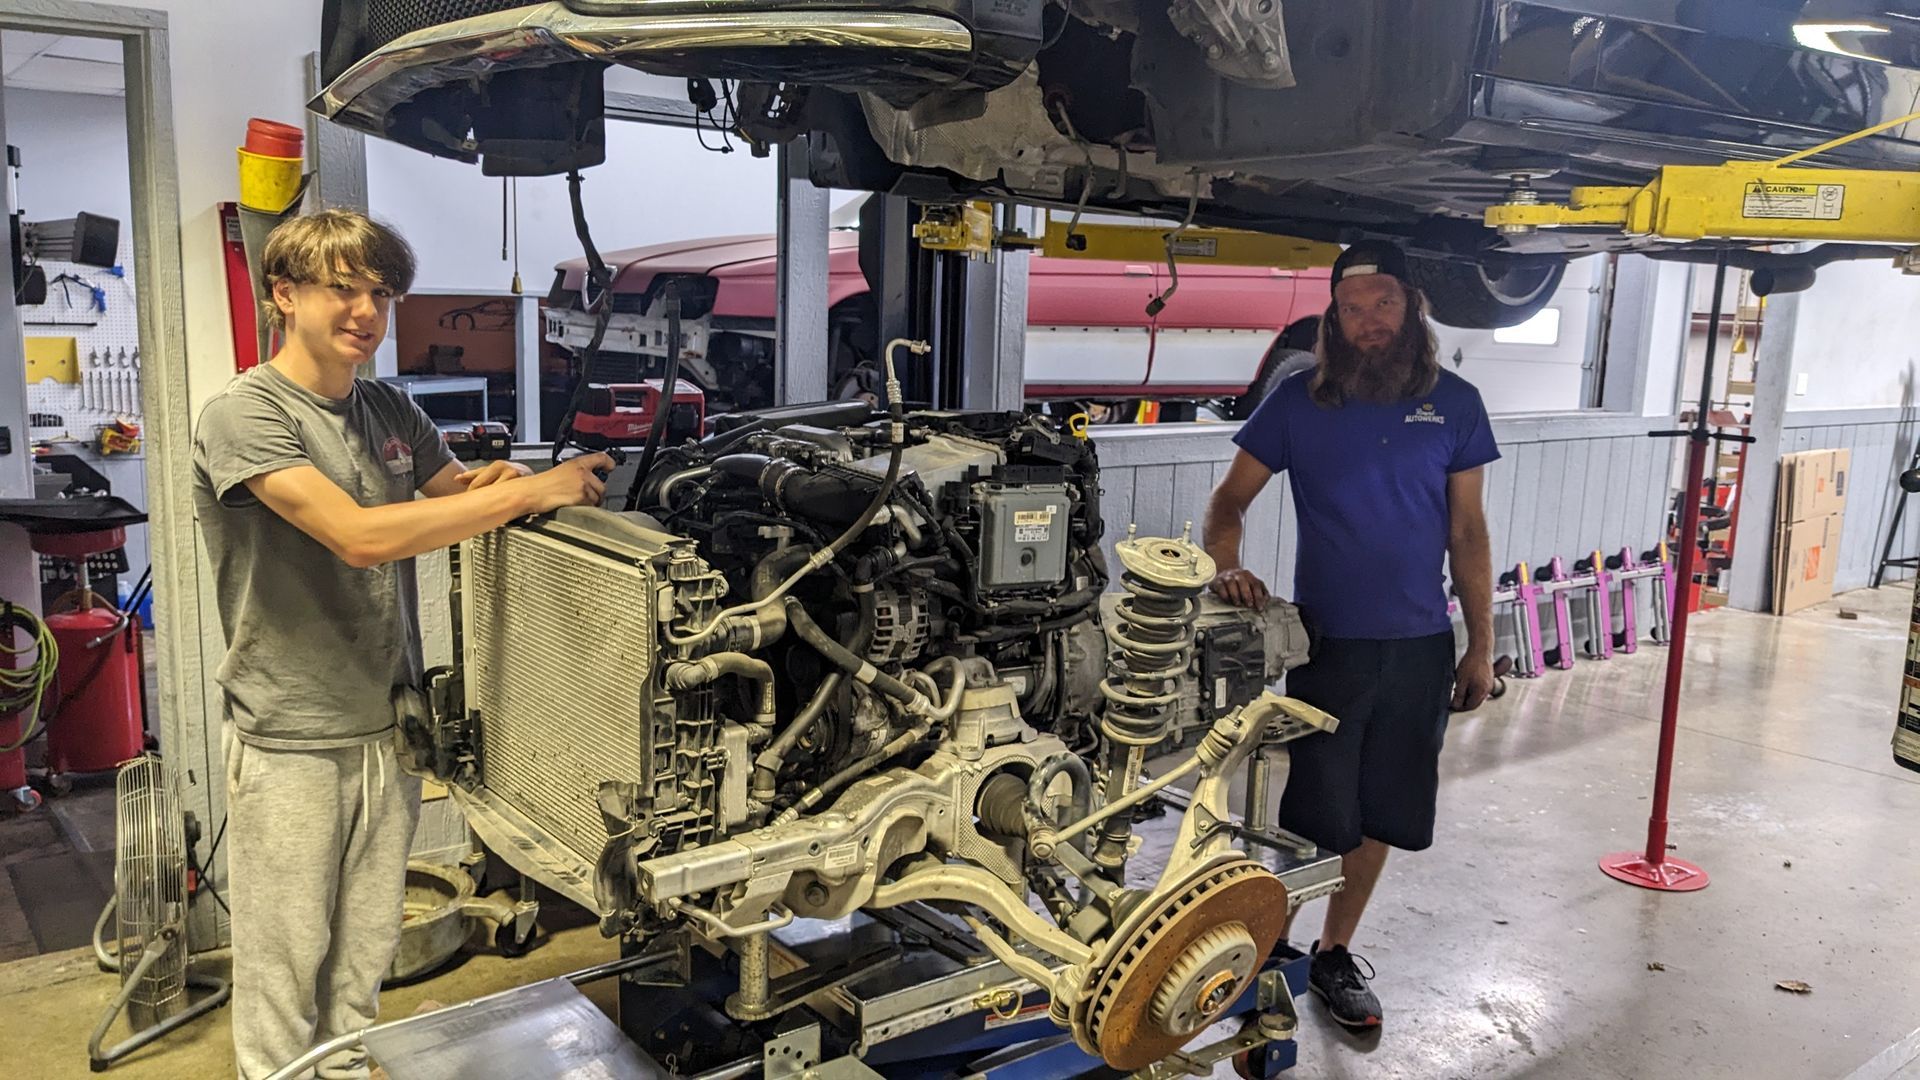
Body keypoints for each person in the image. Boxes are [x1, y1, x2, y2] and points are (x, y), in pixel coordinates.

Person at [191, 209, 612, 1079]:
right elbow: (360, 536)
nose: (366, 312)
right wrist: (528, 494)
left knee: (366, 941)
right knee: (285, 950)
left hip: (388, 718)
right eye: (341, 289)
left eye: (381, 294)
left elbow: (451, 490)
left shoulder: (386, 407)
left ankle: (344, 1066)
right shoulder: (245, 414)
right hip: (292, 729)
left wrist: (501, 482)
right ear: (284, 295)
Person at [1202, 239, 1499, 1032]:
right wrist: (1226, 567)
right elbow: (1228, 503)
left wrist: (1479, 645)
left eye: (1384, 303)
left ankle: (1333, 953)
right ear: (1333, 318)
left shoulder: (1457, 404)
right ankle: (1273, 950)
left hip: (1420, 646)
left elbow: (1468, 533)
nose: (1370, 321)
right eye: (1353, 308)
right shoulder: (1299, 401)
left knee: (1381, 813)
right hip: (1327, 645)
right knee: (1318, 813)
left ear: (1413, 308)